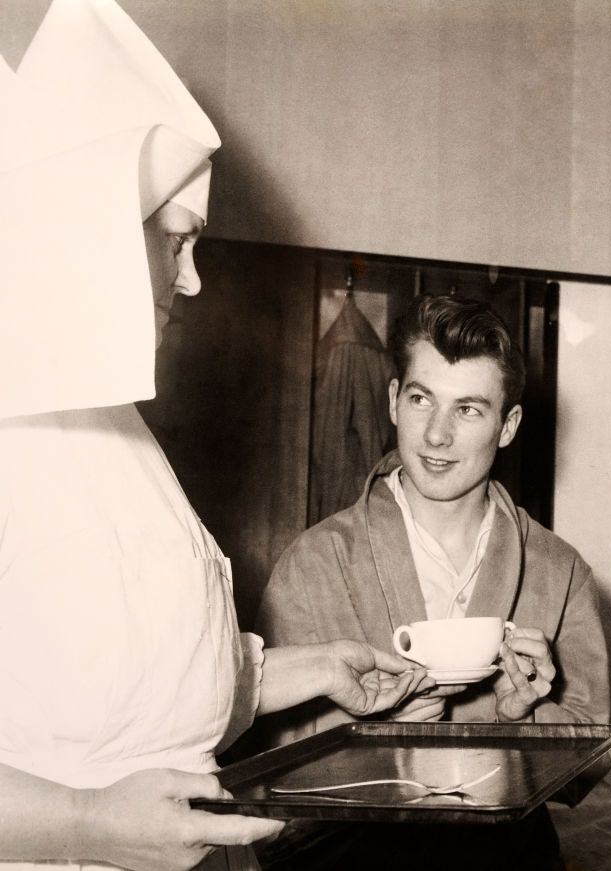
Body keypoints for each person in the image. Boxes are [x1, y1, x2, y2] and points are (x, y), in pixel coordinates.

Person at [0, 3, 430, 869]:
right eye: (177, 243)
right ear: (95, 242)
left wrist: (307, 670)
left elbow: (144, 686)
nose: (192, 281)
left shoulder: (116, 431)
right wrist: (87, 822)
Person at [255, 292, 610, 869]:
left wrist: (520, 715)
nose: (437, 436)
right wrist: (373, 735)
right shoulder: (316, 561)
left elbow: (587, 771)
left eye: (468, 409)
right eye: (423, 399)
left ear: (508, 425)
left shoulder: (558, 570)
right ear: (395, 400)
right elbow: (267, 767)